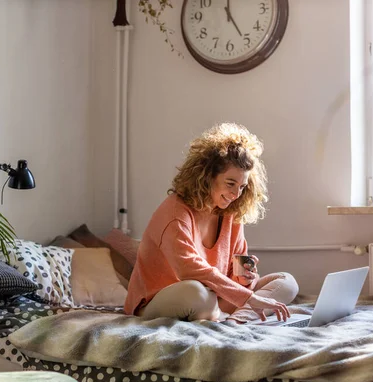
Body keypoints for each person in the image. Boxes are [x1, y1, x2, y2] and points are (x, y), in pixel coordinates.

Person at [124, 123, 299, 323]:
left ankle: (236, 322)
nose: (236, 194)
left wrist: (244, 277)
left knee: (287, 282)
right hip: (161, 301)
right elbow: (188, 269)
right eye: (230, 183)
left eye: (242, 187)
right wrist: (249, 297)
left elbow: (236, 274)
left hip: (213, 299)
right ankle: (230, 316)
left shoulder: (231, 212)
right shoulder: (174, 212)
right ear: (207, 177)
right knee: (196, 293)